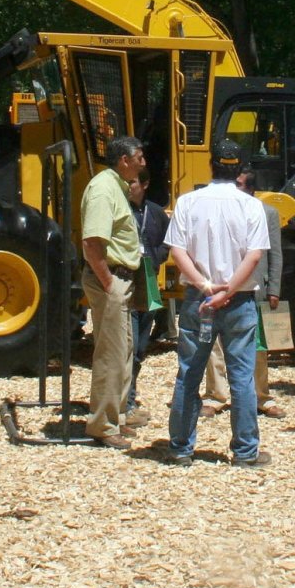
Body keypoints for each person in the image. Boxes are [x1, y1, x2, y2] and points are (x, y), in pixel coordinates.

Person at [164, 139, 270, 467]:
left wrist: (205, 285)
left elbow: (177, 251)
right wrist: (227, 291)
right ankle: (245, 451)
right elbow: (254, 256)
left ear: (211, 164)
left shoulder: (187, 202)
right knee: (241, 376)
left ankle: (181, 448)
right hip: (238, 300)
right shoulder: (252, 206)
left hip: (199, 297)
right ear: (240, 169)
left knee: (188, 373)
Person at [201, 168, 285, 419]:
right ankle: (215, 395)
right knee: (213, 345)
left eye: (238, 185)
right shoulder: (214, 210)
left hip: (254, 287)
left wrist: (274, 289)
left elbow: (275, 253)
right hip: (217, 285)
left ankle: (261, 396)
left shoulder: (266, 213)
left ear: (251, 190)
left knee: (258, 346)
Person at [80, 136, 147, 450]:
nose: (143, 163)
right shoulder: (103, 189)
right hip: (110, 279)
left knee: (123, 352)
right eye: (140, 157)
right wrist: (109, 284)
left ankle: (116, 417)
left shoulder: (116, 186)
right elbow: (92, 243)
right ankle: (103, 426)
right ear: (124, 159)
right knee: (110, 355)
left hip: (120, 280)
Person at [125, 168, 169, 416]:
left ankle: (130, 395)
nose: (129, 186)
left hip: (150, 280)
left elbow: (169, 238)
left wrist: (158, 256)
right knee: (128, 345)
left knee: (141, 345)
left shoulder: (155, 212)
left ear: (145, 184)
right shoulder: (121, 210)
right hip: (128, 281)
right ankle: (126, 402)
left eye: (132, 182)